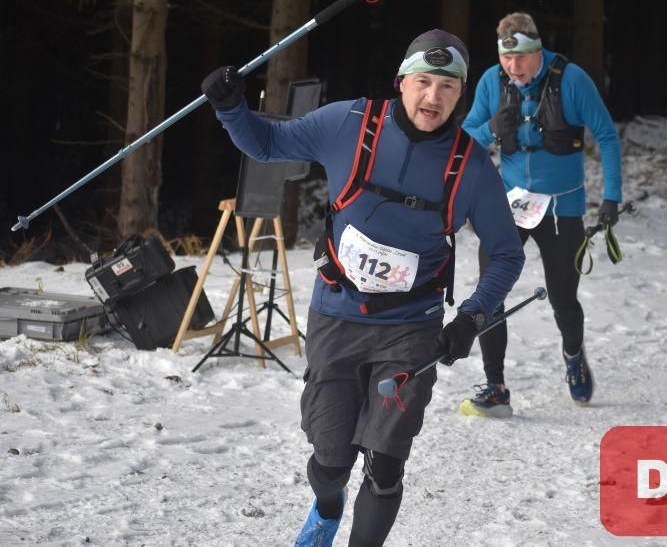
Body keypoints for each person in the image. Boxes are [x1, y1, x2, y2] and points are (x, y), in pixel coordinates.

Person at [200, 30, 525, 547]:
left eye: (447, 86)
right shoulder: (348, 123)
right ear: (401, 81)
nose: (433, 97)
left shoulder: (471, 167)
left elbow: (507, 253)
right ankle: (327, 508)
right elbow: (266, 144)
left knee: (386, 464)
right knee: (331, 460)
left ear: (461, 94)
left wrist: (471, 316)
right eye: (423, 81)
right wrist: (230, 106)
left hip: (411, 327)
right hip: (337, 314)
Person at [460, 12, 622, 417]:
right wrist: (491, 130)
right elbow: (462, 141)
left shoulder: (572, 80)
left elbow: (606, 135)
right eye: (506, 58)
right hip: (509, 205)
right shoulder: (492, 82)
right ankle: (496, 387)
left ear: (538, 51)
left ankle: (573, 355)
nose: (513, 67)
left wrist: (611, 198)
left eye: (521, 58)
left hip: (561, 207)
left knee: (564, 299)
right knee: (490, 294)